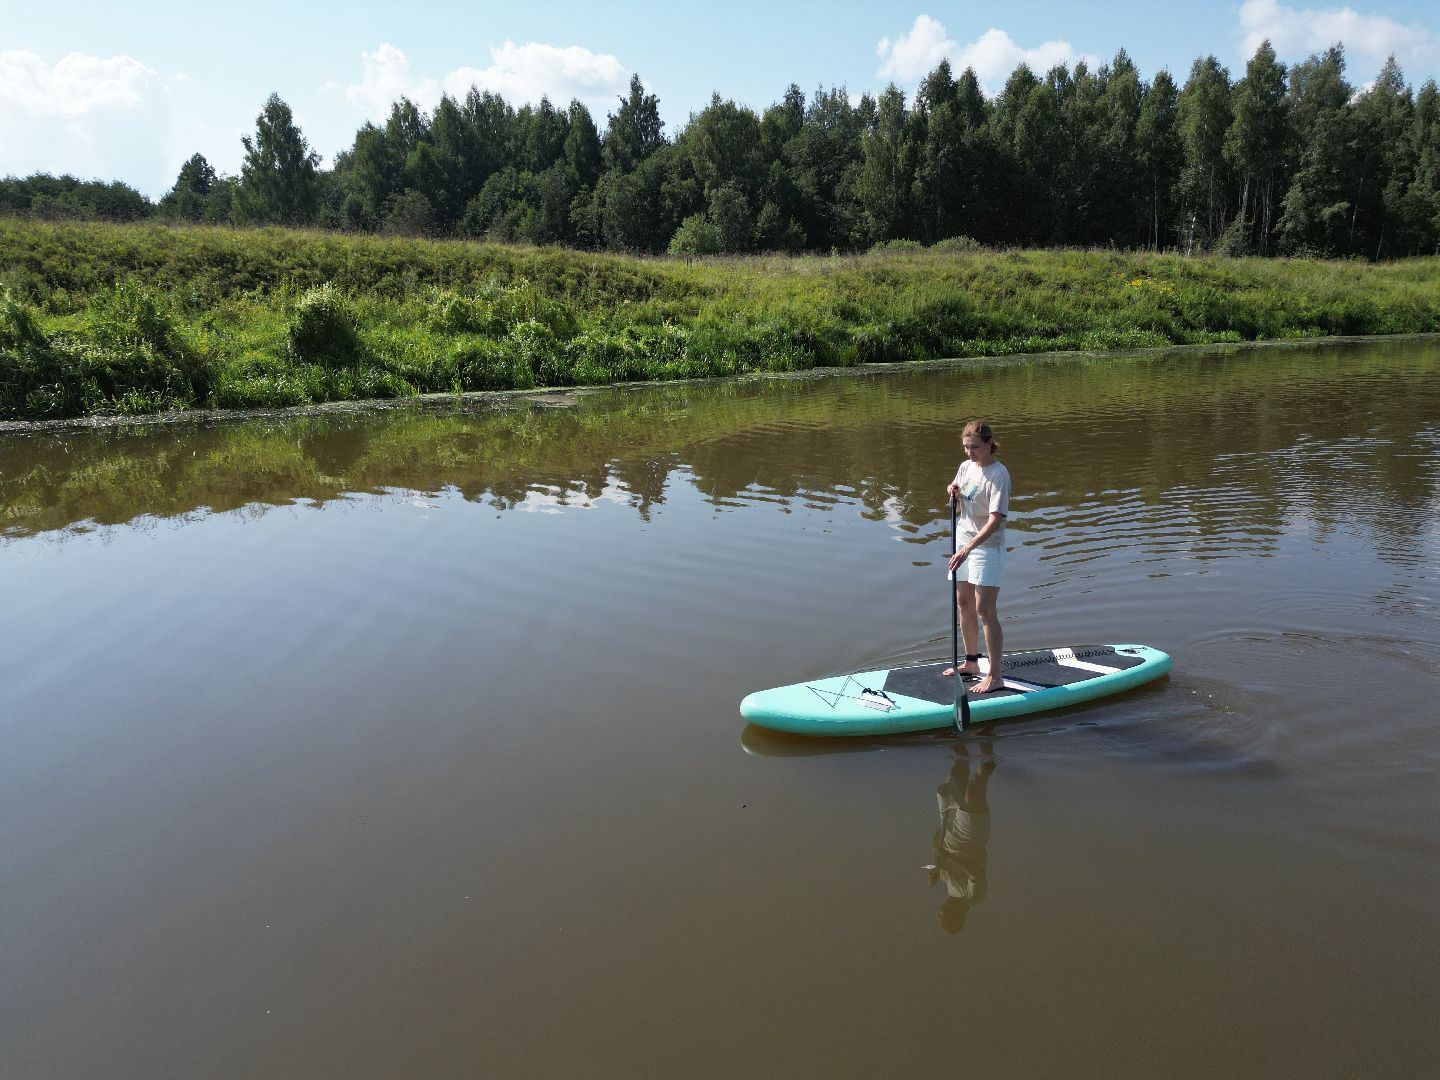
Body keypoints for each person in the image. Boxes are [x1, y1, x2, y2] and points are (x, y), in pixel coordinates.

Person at [945, 419, 1010, 694]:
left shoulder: (999, 474)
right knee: (964, 603)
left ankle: (995, 676)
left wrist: (968, 548)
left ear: (988, 445)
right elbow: (959, 499)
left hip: (986, 545)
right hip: (964, 540)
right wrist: (952, 493)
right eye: (965, 447)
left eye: (974, 447)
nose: (969, 453)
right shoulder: (965, 467)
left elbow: (995, 520)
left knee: (985, 610)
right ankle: (971, 662)